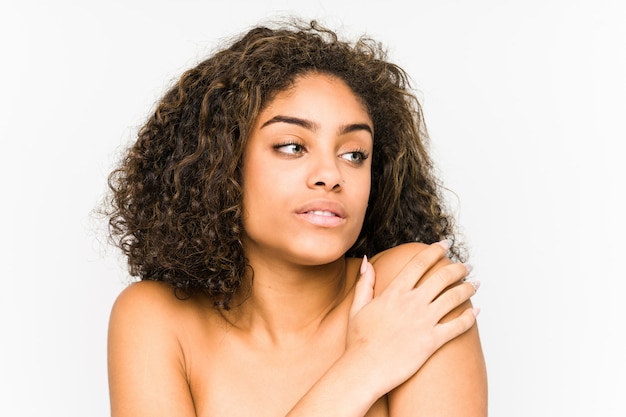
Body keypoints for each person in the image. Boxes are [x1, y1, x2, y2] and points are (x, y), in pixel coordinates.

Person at [104, 18, 487, 417]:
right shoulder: (156, 319)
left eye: (354, 154)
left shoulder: (410, 288)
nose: (331, 175)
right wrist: (364, 367)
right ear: (220, 164)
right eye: (291, 146)